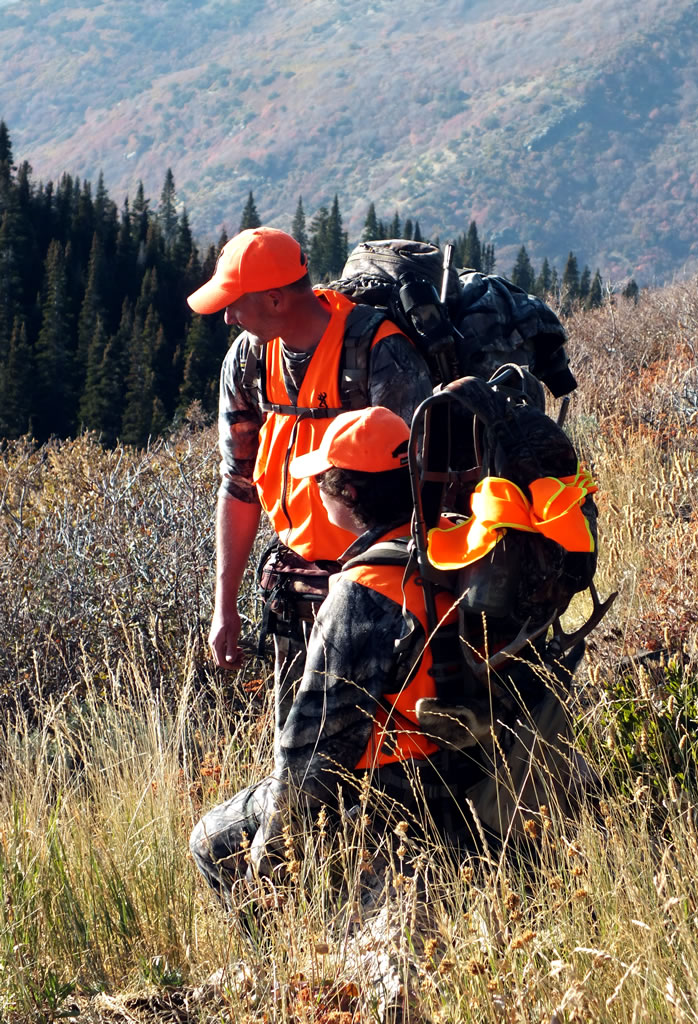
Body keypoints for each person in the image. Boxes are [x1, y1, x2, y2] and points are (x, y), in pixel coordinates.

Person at [188, 407, 478, 911]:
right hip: (466, 771)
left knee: (211, 842)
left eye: (323, 482)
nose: (316, 492)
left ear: (349, 494)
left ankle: (286, 967)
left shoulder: (362, 593)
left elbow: (312, 753)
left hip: (395, 798)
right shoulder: (456, 542)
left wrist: (269, 856)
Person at [187, 228, 433, 750]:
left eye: (234, 303)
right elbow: (239, 486)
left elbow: (418, 490)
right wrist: (223, 605)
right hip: (296, 585)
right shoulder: (248, 362)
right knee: (296, 752)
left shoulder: (379, 352)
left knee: (383, 747)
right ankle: (305, 833)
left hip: (380, 589)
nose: (227, 316)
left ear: (275, 298)